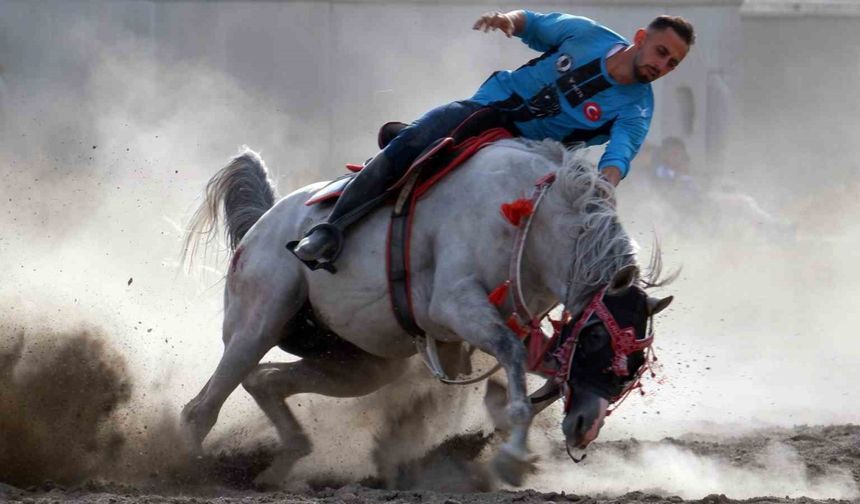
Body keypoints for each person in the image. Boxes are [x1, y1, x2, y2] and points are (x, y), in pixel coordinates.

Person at [291, 10, 695, 268]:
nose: (662, 65)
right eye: (660, 52)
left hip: (536, 156)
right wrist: (506, 20)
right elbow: (533, 24)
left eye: (672, 63)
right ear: (641, 37)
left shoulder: (638, 107)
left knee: (557, 229)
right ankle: (331, 230)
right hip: (492, 110)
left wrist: (606, 186)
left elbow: (620, 153)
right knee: (414, 141)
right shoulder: (588, 34)